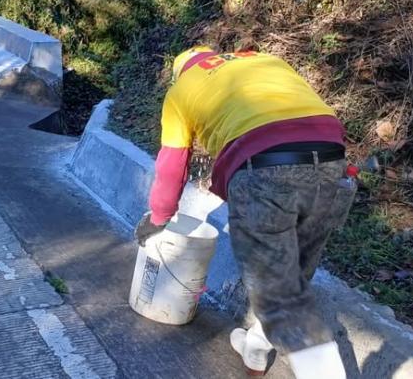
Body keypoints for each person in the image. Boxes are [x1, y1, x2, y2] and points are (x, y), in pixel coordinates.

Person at [134, 46, 356, 378]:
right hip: (332, 162)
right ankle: (256, 345)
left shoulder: (182, 90)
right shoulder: (265, 59)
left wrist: (158, 219)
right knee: (293, 273)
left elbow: (172, 165)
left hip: (265, 170)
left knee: (282, 295)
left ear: (180, 71)